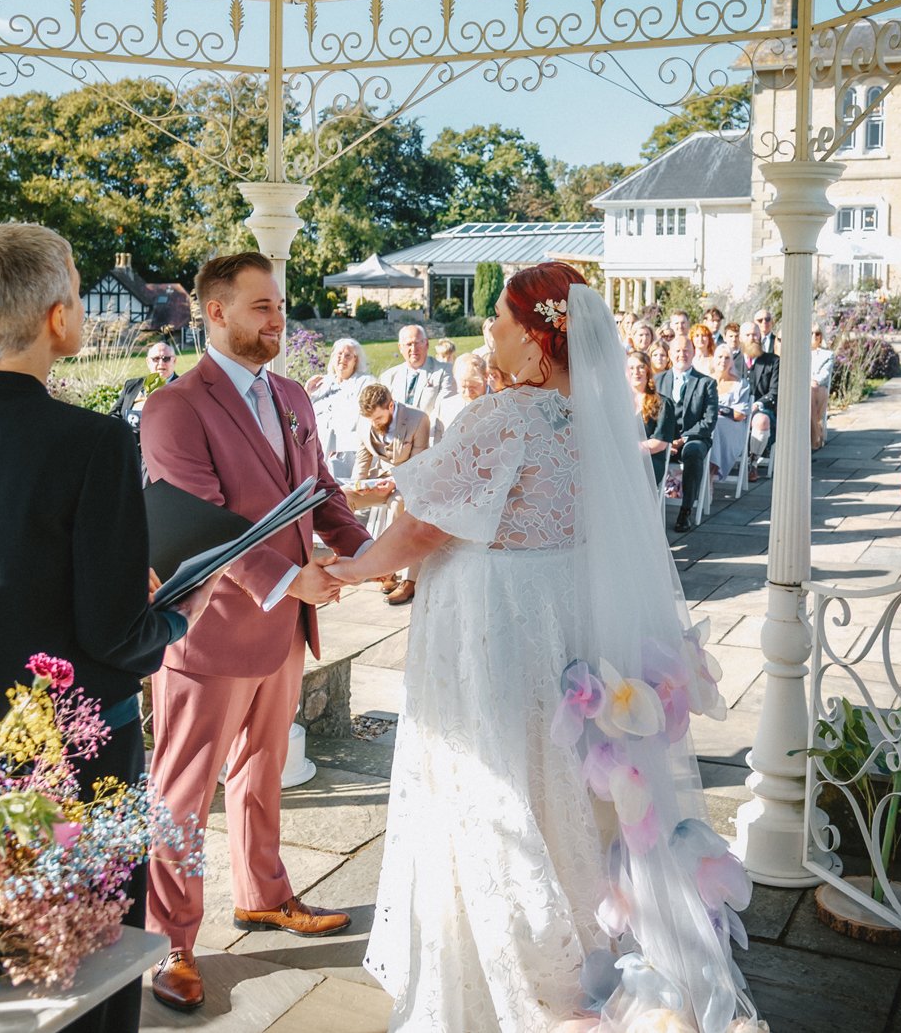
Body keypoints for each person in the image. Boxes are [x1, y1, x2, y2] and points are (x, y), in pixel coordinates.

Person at [324, 263, 759, 1031]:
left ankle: (516, 969)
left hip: (490, 627)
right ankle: (588, 944)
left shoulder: (504, 417)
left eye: (498, 317)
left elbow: (427, 523)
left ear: (535, 337)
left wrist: (355, 566)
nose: (487, 330)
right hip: (558, 620)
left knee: (490, 777)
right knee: (556, 776)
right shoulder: (592, 421)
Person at [0, 223, 189, 1033]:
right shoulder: (93, 442)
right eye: (81, 295)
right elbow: (115, 628)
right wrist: (177, 612)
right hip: (78, 744)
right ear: (58, 318)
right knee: (88, 953)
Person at [138, 252, 371, 1013]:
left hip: (284, 631)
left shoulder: (294, 394)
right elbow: (208, 524)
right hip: (208, 637)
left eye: (280, 306)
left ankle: (263, 892)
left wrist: (371, 554)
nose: (279, 320)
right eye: (263, 307)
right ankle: (168, 943)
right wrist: (288, 578)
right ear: (216, 312)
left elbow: (321, 490)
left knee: (262, 775)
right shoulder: (175, 406)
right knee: (182, 793)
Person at [353, 381, 432, 606]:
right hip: (378, 482)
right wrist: (358, 485)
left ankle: (399, 575)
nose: (374, 424)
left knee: (398, 503)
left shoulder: (418, 419)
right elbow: (362, 461)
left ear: (390, 406)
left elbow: (418, 465)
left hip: (410, 484)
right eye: (370, 420)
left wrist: (393, 481)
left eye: (378, 419)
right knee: (342, 498)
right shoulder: (365, 422)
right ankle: (359, 561)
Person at [658, 335, 718, 534]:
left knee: (692, 453)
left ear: (693, 353)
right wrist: (665, 440)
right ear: (669, 354)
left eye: (686, 350)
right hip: (664, 438)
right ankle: (647, 507)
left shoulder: (706, 383)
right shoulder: (658, 381)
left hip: (694, 438)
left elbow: (708, 421)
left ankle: (685, 510)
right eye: (677, 350)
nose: (681, 354)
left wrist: (683, 438)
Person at [307, 337, 376, 480]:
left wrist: (337, 448)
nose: (342, 359)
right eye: (339, 354)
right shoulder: (320, 383)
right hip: (318, 452)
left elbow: (368, 418)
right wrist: (307, 392)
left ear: (355, 360)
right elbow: (305, 415)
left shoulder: (366, 382)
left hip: (347, 452)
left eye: (348, 355)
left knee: (342, 496)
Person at [707, 342, 762, 480]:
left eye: (727, 358)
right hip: (708, 424)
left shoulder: (740, 384)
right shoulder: (705, 381)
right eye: (719, 357)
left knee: (716, 425)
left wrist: (718, 409)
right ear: (714, 359)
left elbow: (740, 414)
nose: (722, 361)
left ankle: (711, 474)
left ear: (732, 361)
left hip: (731, 426)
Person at [627, 349, 678, 489]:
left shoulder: (662, 403)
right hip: (622, 459)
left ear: (648, 371)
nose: (636, 372)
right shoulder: (619, 402)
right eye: (631, 368)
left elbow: (660, 443)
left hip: (649, 460)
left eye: (641, 367)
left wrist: (630, 449)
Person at [380, 323, 456, 413]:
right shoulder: (389, 377)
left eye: (417, 343)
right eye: (409, 344)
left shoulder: (445, 371)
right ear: (400, 347)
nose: (413, 348)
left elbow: (443, 410)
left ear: (426, 344)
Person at [739, 319, 779, 475]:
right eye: (748, 335)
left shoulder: (773, 361)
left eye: (755, 334)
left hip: (762, 410)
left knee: (761, 421)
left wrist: (756, 405)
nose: (752, 338)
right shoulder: (732, 361)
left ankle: (752, 463)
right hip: (736, 410)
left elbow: (775, 392)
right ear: (741, 338)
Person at [115, 339, 180, 433]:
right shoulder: (132, 385)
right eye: (156, 359)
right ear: (148, 362)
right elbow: (114, 414)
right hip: (130, 444)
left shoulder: (185, 389)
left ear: (174, 361)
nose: (161, 363)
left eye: (166, 358)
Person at [431, 351, 488, 440]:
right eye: (463, 387)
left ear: (486, 378)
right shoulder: (445, 407)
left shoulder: (502, 405)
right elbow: (437, 445)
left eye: (473, 386)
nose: (468, 393)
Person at [810, 325, 835, 450]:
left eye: (817, 333)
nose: (814, 336)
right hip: (805, 386)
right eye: (811, 333)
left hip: (818, 387)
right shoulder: (800, 352)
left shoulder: (827, 354)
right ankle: (815, 435)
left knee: (812, 392)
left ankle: (814, 438)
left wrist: (814, 381)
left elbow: (825, 374)